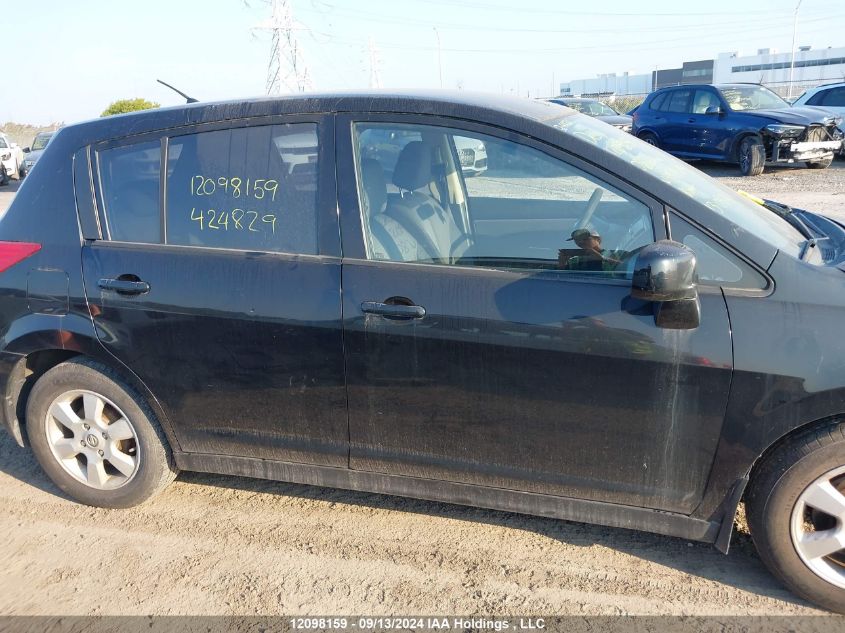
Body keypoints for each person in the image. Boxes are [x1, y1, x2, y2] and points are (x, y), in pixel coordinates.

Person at [559, 227, 623, 272]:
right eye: (577, 240)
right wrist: (563, 263)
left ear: (598, 239)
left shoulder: (617, 254)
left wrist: (602, 258)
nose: (580, 242)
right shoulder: (576, 260)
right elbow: (565, 276)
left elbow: (627, 270)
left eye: (585, 239)